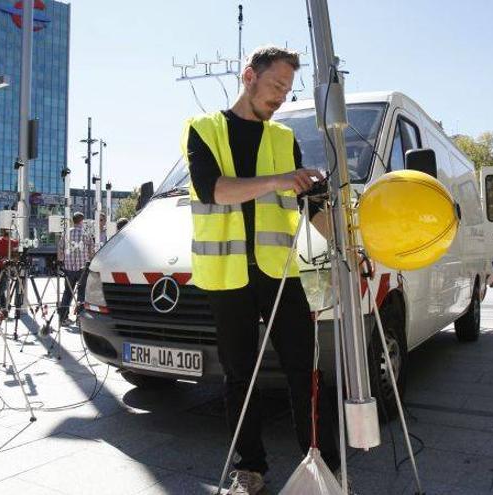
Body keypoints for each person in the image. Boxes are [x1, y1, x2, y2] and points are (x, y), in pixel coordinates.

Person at [185, 45, 338, 495]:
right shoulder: (204, 130)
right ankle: (249, 469)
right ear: (249, 76)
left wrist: (351, 248)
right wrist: (279, 180)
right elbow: (214, 190)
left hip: (277, 271)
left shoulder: (283, 139)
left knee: (304, 369)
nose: (280, 97)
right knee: (241, 375)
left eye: (287, 91)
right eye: (275, 86)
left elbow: (311, 207)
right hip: (226, 274)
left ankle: (321, 464)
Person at [57, 212, 95, 323]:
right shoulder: (85, 233)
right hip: (82, 268)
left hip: (68, 268)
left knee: (67, 292)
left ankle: (63, 318)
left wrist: (61, 261)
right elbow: (91, 251)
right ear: (82, 221)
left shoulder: (66, 233)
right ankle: (80, 318)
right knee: (81, 293)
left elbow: (60, 249)